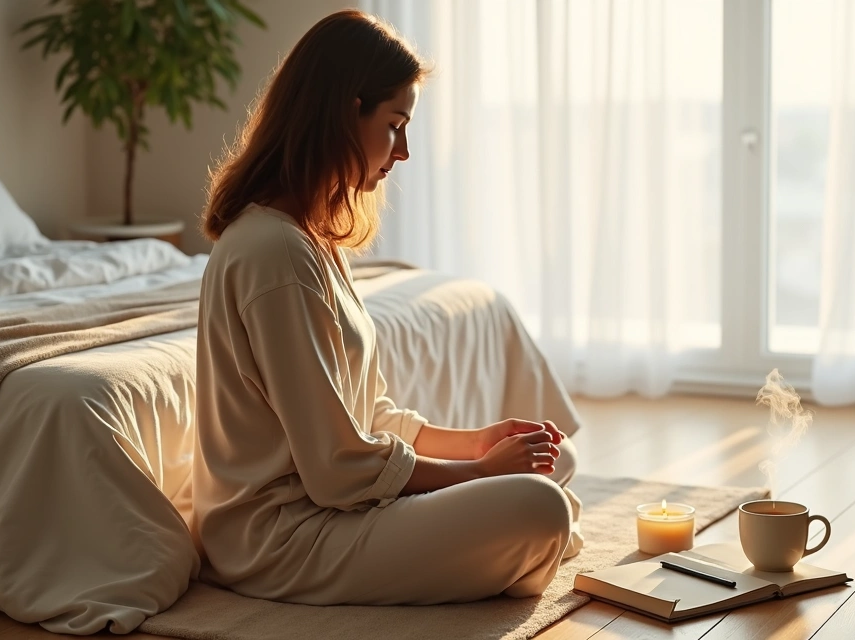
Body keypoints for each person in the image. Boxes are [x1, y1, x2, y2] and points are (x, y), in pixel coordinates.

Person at [191, 9, 582, 606]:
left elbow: (367, 415)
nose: (403, 152)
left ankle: (513, 550)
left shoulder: (312, 239)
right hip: (284, 537)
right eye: (395, 125)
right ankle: (521, 547)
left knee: (557, 460)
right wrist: (482, 474)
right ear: (344, 113)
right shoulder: (273, 252)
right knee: (540, 506)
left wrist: (477, 444)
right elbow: (337, 466)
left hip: (332, 507)